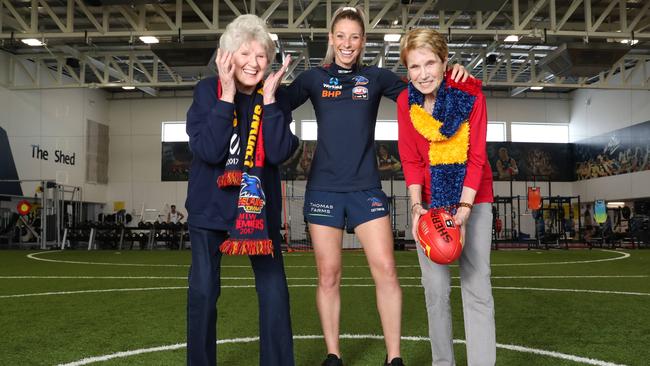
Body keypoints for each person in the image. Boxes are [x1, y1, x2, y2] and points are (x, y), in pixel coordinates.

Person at [285, 6, 471, 366]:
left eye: (354, 36)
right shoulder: (313, 79)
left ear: (363, 41)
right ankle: (333, 355)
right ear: (331, 39)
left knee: (386, 269)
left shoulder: (375, 78)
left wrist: (452, 74)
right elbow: (276, 103)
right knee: (328, 274)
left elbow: (422, 90)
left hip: (366, 188)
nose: (347, 43)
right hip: (323, 189)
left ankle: (394, 357)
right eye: (340, 36)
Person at [184, 14, 298, 366]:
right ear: (228, 56)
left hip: (256, 211)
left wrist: (270, 101)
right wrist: (228, 96)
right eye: (245, 54)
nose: (253, 63)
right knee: (203, 292)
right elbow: (209, 151)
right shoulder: (208, 91)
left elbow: (281, 152)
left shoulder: (273, 97)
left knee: (274, 291)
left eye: (261, 56)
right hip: (210, 208)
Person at [397, 28, 495, 365]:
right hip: (428, 205)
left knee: (477, 286)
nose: (423, 74)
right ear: (406, 70)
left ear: (444, 62)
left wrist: (465, 210)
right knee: (435, 292)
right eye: (414, 67)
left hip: (475, 198)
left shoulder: (470, 95)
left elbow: (477, 158)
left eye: (429, 64)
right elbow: (410, 159)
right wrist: (415, 207)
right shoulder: (404, 102)